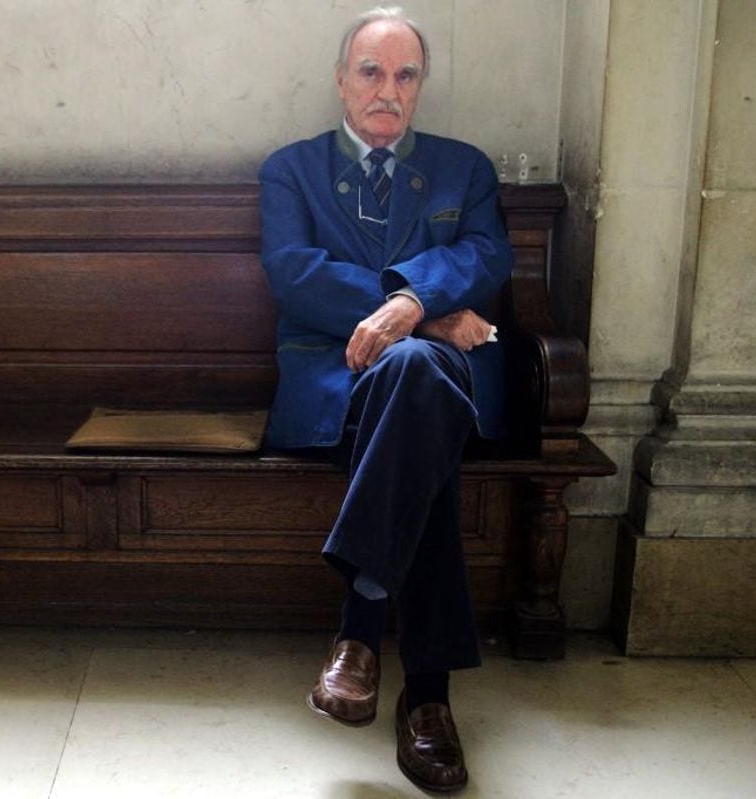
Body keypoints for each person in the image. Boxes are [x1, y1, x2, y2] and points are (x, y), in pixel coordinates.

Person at [258, 5, 514, 793]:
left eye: (406, 75)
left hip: (435, 378)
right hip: (334, 378)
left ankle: (360, 632)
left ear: (421, 86)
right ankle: (428, 698)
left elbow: (487, 254)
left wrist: (410, 310)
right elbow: (295, 275)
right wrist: (419, 310)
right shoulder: (291, 170)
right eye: (371, 71)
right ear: (342, 80)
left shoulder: (463, 168)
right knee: (419, 398)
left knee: (416, 379)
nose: (388, 89)